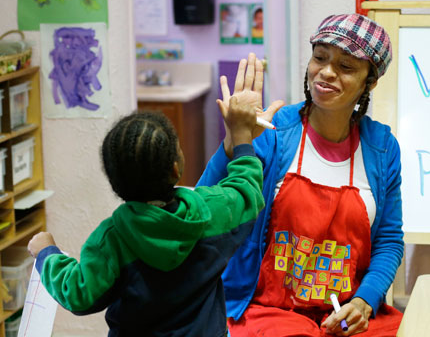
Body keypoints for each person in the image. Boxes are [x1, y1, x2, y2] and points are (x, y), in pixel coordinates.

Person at [197, 13, 404, 336]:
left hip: (346, 316)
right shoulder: (272, 132)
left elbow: (389, 241)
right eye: (319, 58)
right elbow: (202, 209)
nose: (327, 72)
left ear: (371, 81)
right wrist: (233, 141)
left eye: (346, 67)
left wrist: (364, 302)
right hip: (267, 310)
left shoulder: (383, 148)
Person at [27, 85, 266, 336]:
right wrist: (241, 137)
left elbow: (77, 293)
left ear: (114, 181)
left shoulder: (112, 240)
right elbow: (247, 190)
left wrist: (47, 253)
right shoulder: (212, 211)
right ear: (176, 169)